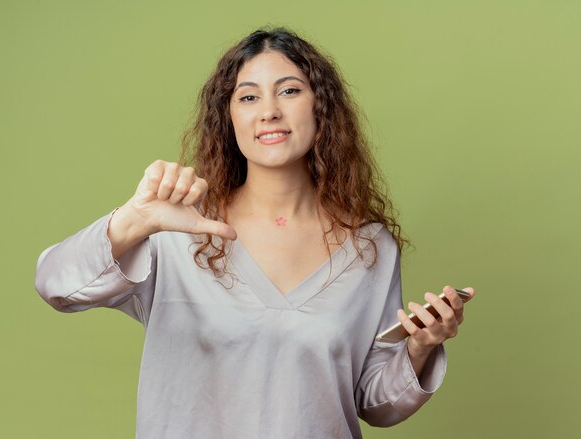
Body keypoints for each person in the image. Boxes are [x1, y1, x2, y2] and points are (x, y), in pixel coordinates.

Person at [35, 27, 475, 439]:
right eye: (248, 97)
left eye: (290, 90)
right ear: (228, 118)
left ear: (321, 107)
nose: (269, 111)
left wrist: (419, 347)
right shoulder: (176, 227)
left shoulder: (369, 246)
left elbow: (373, 403)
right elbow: (57, 286)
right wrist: (135, 219)